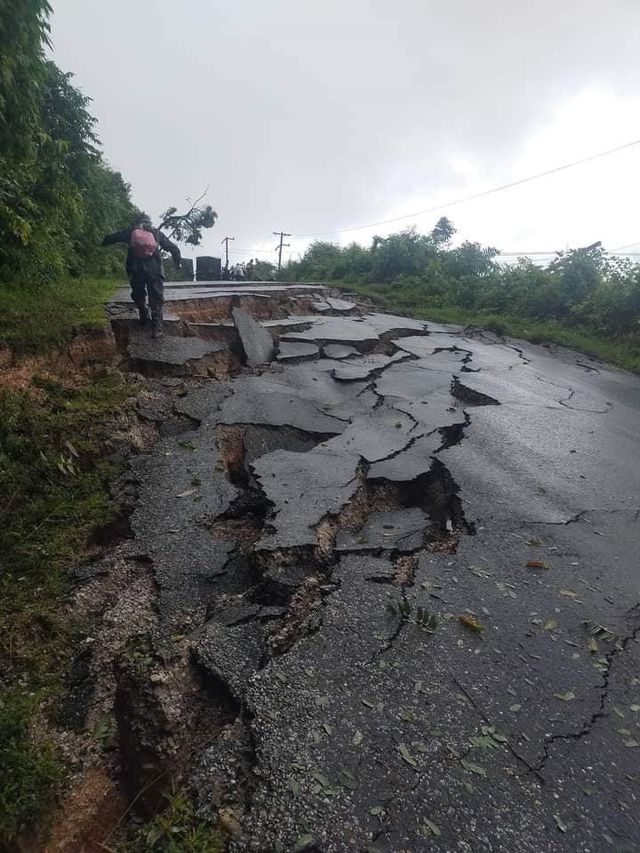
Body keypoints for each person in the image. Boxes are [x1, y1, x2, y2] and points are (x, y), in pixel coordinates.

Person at [102, 215, 181, 339]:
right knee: (156, 299)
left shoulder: (131, 232)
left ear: (138, 222)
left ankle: (143, 313)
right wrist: (177, 263)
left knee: (138, 294)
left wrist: (102, 242)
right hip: (155, 271)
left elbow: (112, 238)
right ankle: (157, 329)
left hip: (135, 269)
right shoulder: (156, 233)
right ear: (149, 223)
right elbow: (174, 248)